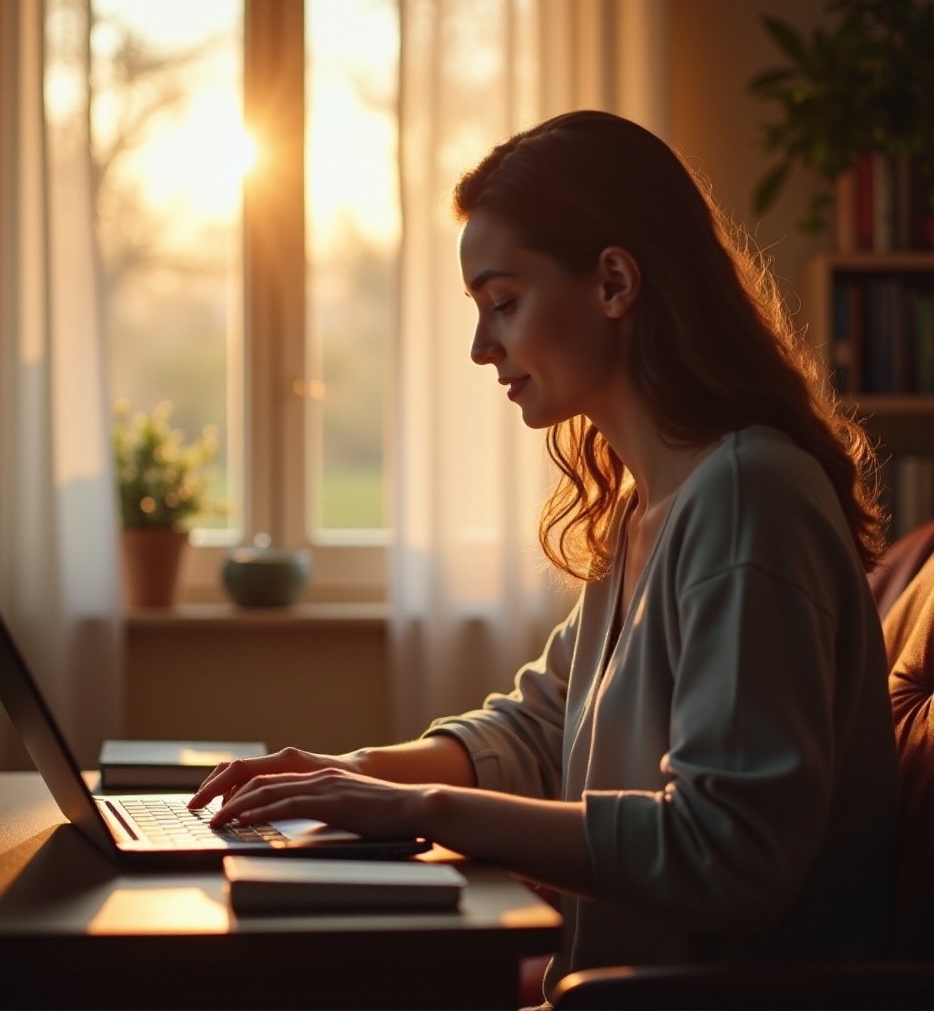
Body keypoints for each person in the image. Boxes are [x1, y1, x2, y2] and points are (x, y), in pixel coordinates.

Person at [190, 111, 900, 1001]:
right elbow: (540, 726)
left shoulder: (748, 498)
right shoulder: (650, 503)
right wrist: (348, 773)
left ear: (613, 283)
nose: (481, 347)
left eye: (503, 303)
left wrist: (420, 809)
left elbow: (730, 855)